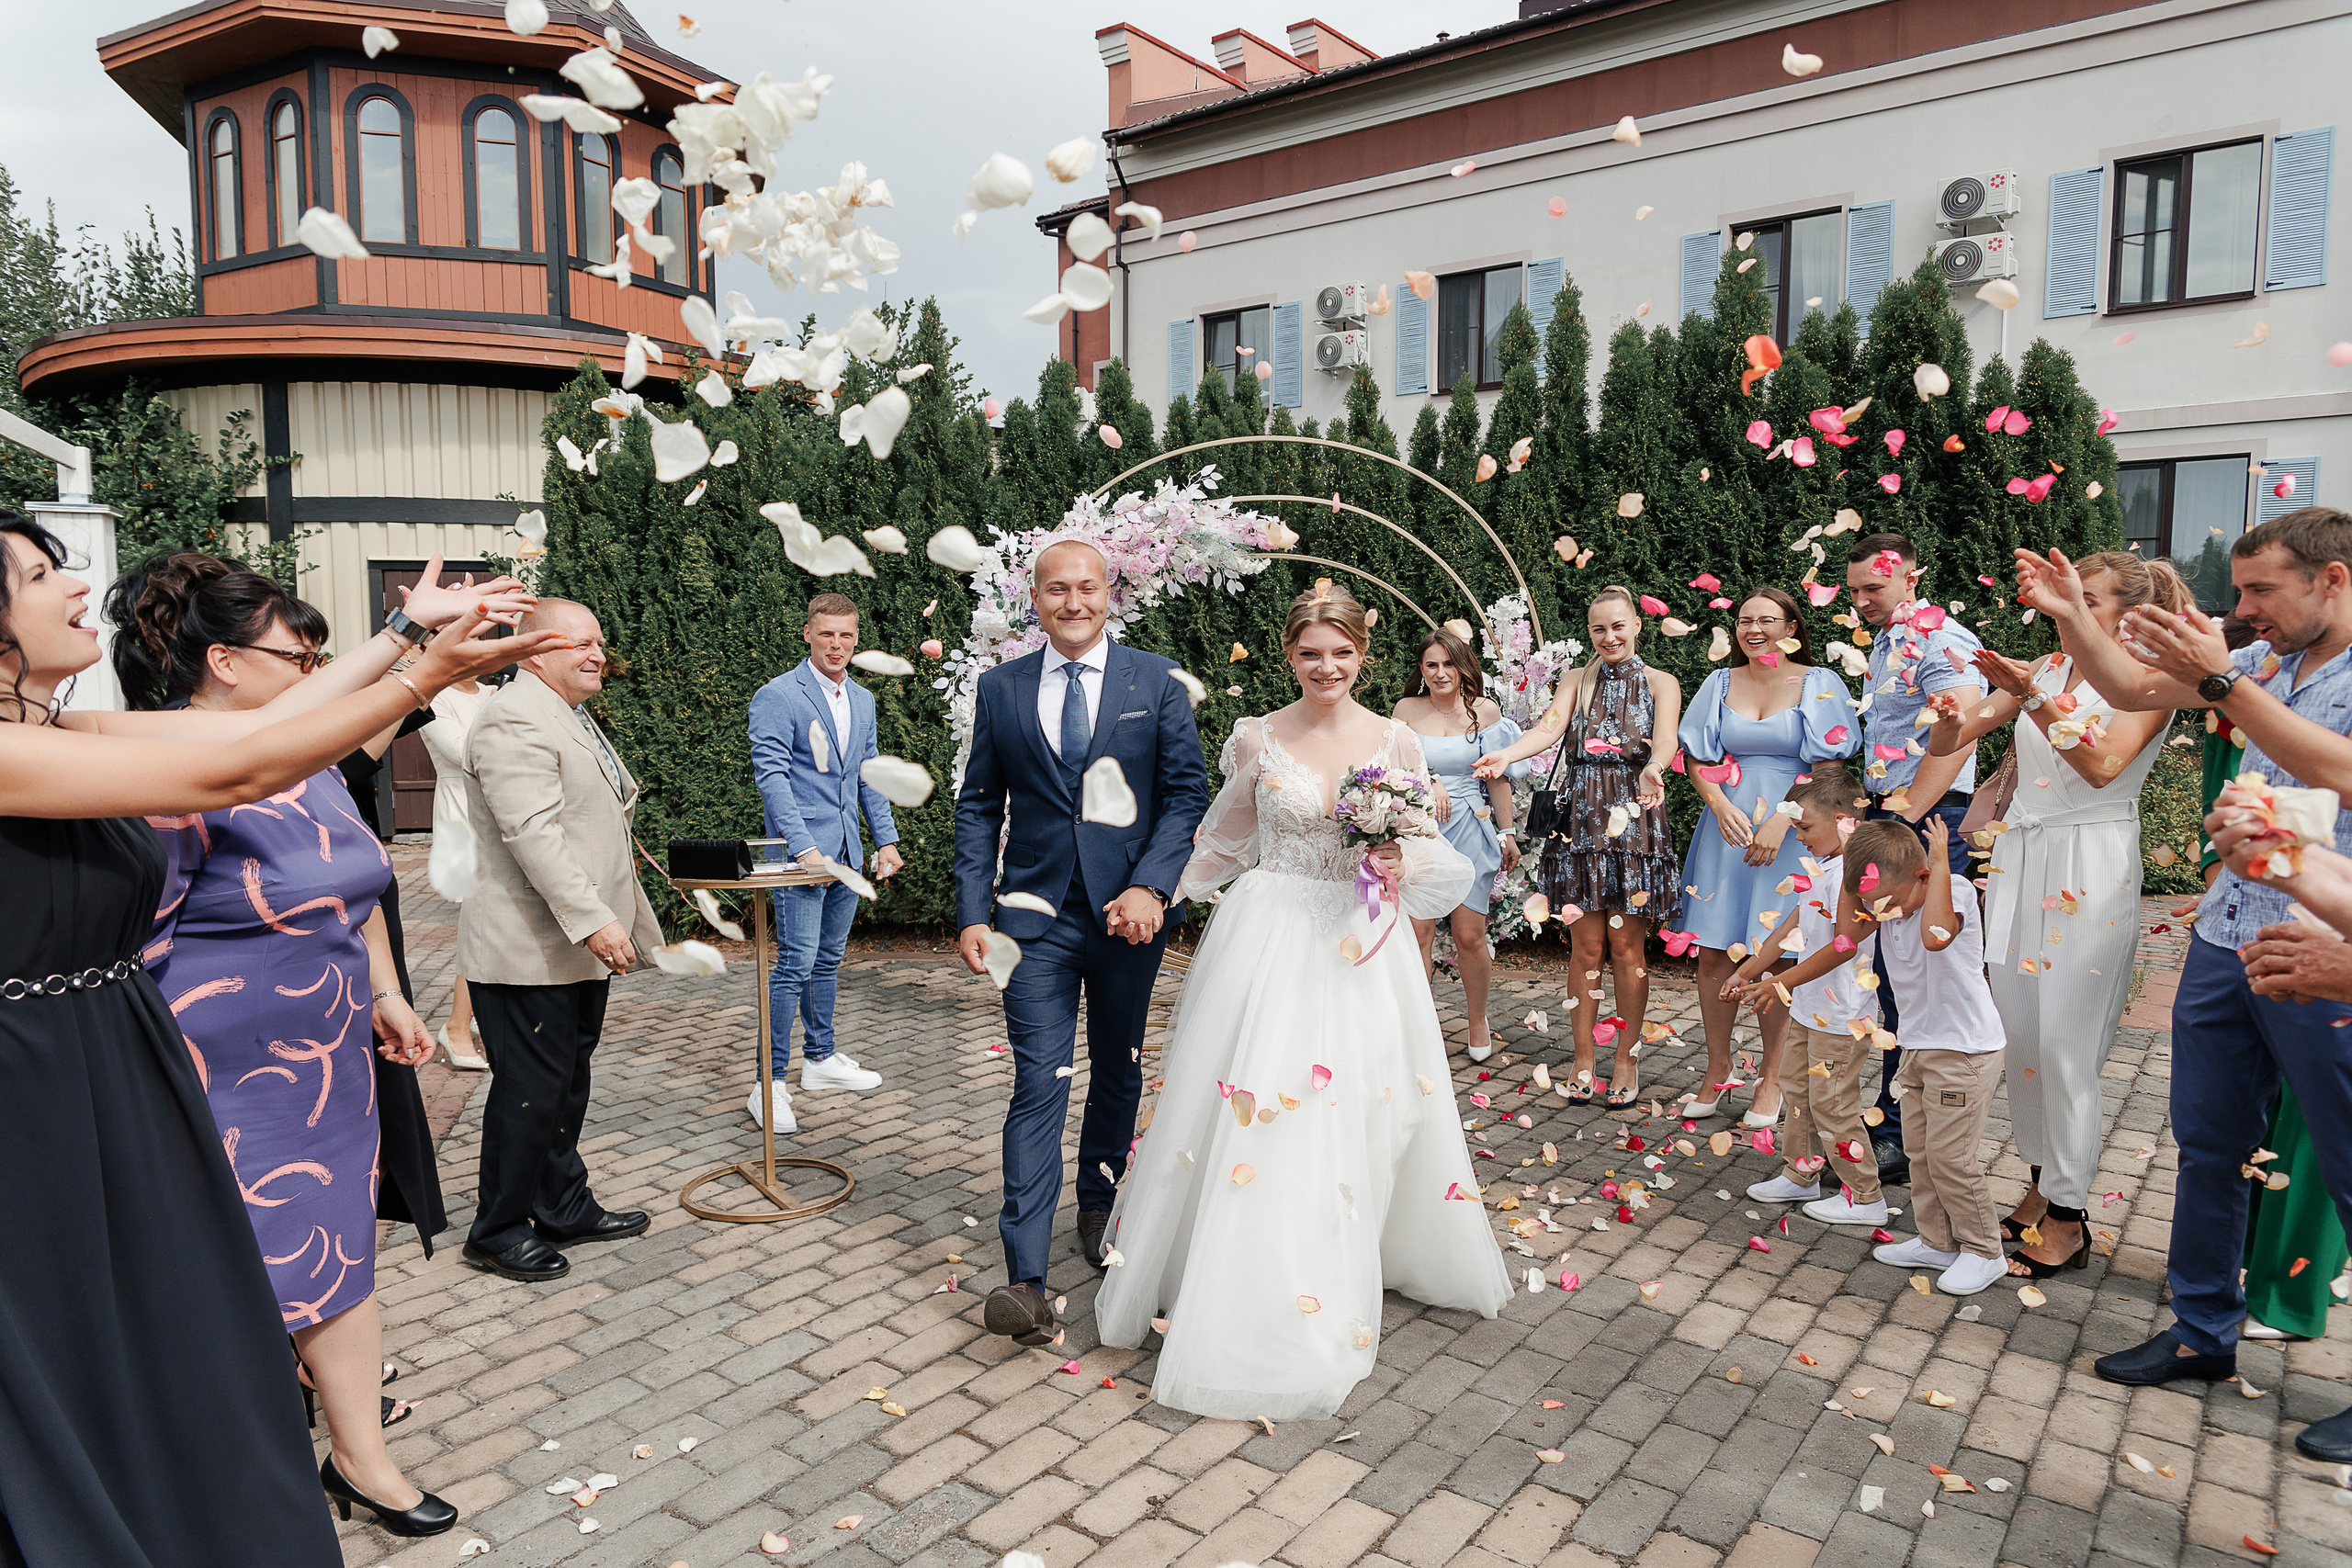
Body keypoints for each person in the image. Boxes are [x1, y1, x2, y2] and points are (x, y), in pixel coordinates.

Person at [0, 512, 554, 1563]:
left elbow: (264, 730)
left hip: (118, 1061)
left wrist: (403, 638)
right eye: (37, 574)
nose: (74, 584)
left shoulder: (63, 733)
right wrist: (422, 676)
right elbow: (233, 776)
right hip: (36, 1081)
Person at [1093, 582, 1511, 1419]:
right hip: (1273, 929)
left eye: (1342, 653)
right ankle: (1261, 1270)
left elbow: (1432, 854)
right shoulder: (1257, 735)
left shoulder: (1395, 739)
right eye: (1311, 653)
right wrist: (1156, 892)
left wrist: (1397, 860)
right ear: (1289, 655)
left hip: (1359, 937)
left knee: (1364, 1104)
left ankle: (1353, 1244)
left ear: (1362, 656)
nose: (1327, 666)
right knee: (1265, 1102)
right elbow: (1222, 836)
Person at [112, 554, 459, 1536]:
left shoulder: (304, 761)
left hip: (327, 1055)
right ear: (223, 661)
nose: (316, 672)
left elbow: (358, 885)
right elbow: (134, 936)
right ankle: (232, 1472)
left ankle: (364, 1461)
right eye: (298, 656)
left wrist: (386, 992)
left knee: (339, 1251)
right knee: (243, 1274)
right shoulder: (168, 769)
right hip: (219, 1066)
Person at [2014, 509, 2352, 1461]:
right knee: (2206, 1144)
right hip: (2225, 939)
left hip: (2326, 946)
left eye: (2261, 592)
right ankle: (2204, 1331)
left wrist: (2221, 678)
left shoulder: (2271, 674)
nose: (2243, 609)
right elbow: (2127, 683)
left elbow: (2336, 770)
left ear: (2331, 580)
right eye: (2239, 591)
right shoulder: (2271, 661)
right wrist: (2068, 617)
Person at [952, 539, 1209, 1347]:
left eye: (1086, 587)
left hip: (1128, 916)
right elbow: (976, 806)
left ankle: (1097, 1210)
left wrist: (1153, 885)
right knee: (1038, 1082)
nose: (1072, 601)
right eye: (1056, 589)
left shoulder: (1156, 679)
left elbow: (1184, 795)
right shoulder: (1001, 688)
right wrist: (970, 910)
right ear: (1035, 599)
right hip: (1032, 924)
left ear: (1108, 594)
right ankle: (1024, 1278)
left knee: (1118, 1066)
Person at [1923, 552, 2183, 1278]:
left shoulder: (2151, 682)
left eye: (2087, 601)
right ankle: (2041, 1188)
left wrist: (2031, 694)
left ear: (2128, 614)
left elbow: (2100, 763)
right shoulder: (2047, 664)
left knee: (2069, 1046)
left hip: (2089, 861)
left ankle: (2070, 1218)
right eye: (2069, 598)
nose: (2069, 610)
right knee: (2025, 1040)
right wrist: (1948, 722)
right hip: (2020, 859)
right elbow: (1963, 735)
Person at [455, 598, 663, 1285]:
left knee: (565, 1084)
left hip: (565, 948)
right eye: (582, 642)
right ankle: (498, 1229)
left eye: (600, 641)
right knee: (530, 1090)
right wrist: (597, 920)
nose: (598, 653)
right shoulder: (515, 716)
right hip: (529, 948)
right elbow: (532, 834)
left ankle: (562, 1203)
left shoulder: (561, 713)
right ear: (537, 648)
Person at [1475, 586, 1681, 1107]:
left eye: (1618, 626)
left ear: (1637, 624)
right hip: (1582, 821)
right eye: (1598, 629)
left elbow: (1666, 740)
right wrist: (1505, 754)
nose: (1609, 637)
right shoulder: (1576, 680)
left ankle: (1627, 1057)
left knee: (1627, 947)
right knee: (1585, 947)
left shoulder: (1661, 682)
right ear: (1590, 632)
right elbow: (1548, 729)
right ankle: (1584, 1057)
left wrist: (1655, 767)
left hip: (1635, 817)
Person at [1674, 585, 1860, 1125]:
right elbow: (1698, 758)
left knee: (1774, 954)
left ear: (1792, 629)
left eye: (1768, 620)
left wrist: (1785, 816)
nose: (1755, 629)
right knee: (1712, 952)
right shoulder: (1718, 682)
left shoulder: (1819, 683)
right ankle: (1717, 1068)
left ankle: (1773, 1080)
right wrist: (1717, 801)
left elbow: (1829, 768)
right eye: (1745, 620)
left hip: (1790, 832)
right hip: (1725, 829)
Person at [1844, 533, 1984, 1190]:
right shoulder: (1890, 639)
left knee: (1922, 972)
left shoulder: (1940, 638)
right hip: (1893, 810)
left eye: (1874, 588)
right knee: (1892, 973)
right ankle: (1896, 1115)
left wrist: (1903, 821)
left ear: (1911, 576)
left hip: (1931, 818)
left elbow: (1960, 734)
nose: (1863, 600)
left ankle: (1907, 1132)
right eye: (1854, 591)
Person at [745, 592, 904, 1132]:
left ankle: (820, 1059)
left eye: (847, 635)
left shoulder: (861, 698)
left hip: (847, 856)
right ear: (807, 634)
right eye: (827, 633)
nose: (837, 644)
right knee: (793, 964)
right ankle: (769, 1085)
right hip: (803, 859)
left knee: (828, 960)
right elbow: (772, 779)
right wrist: (802, 847)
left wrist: (885, 840)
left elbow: (868, 772)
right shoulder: (778, 695)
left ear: (857, 640)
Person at [1725, 765, 1885, 1224]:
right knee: (1798, 1088)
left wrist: (1779, 983)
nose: (1798, 836)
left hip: (1843, 1012)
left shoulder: (1854, 875)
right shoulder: (1826, 866)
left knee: (1833, 1101)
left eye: (1805, 827)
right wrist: (1754, 966)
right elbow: (1797, 920)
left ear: (1843, 819)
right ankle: (1802, 1173)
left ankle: (1866, 1196)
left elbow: (1844, 944)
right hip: (1810, 1005)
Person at [1393, 624, 1526, 1063]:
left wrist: (1507, 833)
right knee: (1419, 931)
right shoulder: (1405, 710)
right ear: (1421, 669)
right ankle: (1417, 1025)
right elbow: (1390, 770)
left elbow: (1500, 776)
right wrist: (1429, 781)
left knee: (1470, 934)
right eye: (1431, 665)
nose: (1440, 672)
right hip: (1421, 829)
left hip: (1471, 825)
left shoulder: (1485, 713)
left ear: (1463, 665)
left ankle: (1477, 1018)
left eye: (1448, 663)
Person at [422, 670, 492, 1067]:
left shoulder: (494, 692)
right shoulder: (435, 697)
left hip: (499, 808)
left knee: (495, 918)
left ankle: (475, 1017)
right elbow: (464, 751)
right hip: (461, 814)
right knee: (479, 921)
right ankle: (455, 1027)